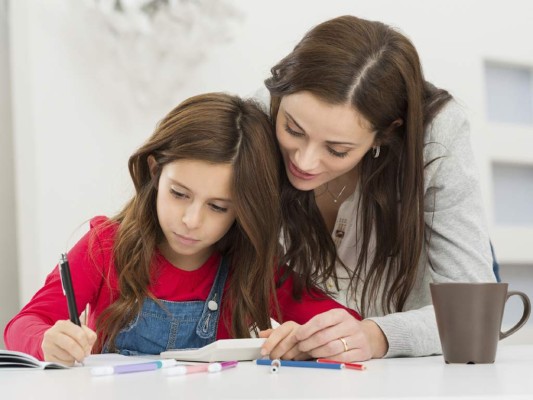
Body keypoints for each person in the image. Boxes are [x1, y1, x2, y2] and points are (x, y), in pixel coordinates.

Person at [4, 93, 360, 365]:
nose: (191, 220)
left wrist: (305, 340)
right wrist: (48, 341)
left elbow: (347, 326)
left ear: (244, 211)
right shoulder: (105, 246)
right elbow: (24, 323)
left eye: (218, 207)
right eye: (179, 194)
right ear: (155, 171)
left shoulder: (252, 265)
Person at [258, 15, 496, 362]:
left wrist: (375, 336)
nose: (305, 162)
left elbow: (472, 314)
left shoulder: (435, 136)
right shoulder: (256, 117)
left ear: (386, 133)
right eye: (293, 130)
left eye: (337, 150)